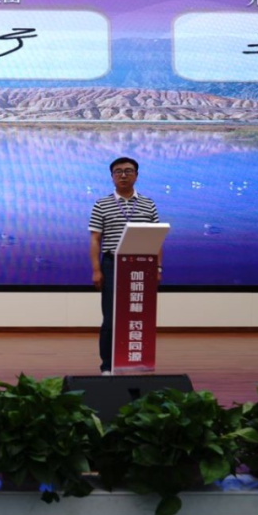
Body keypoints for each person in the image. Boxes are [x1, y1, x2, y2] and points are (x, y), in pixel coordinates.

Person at [88, 156, 161, 375]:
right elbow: (95, 239)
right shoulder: (102, 204)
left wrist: (158, 268)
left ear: (136, 175)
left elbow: (157, 239)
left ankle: (137, 363)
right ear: (112, 177)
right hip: (112, 264)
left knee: (139, 316)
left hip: (142, 266)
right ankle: (107, 367)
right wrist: (96, 270)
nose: (123, 175)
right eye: (118, 171)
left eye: (128, 171)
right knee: (110, 318)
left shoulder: (148, 204)